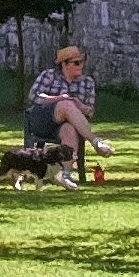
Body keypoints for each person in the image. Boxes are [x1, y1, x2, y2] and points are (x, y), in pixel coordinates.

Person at [25, 44, 103, 186]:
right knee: (65, 104)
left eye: (82, 62)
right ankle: (95, 141)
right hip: (43, 121)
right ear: (64, 64)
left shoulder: (87, 82)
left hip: (66, 125)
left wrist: (79, 105)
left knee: (70, 129)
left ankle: (65, 176)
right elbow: (34, 96)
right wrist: (59, 99)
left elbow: (90, 111)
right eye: (76, 63)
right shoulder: (49, 75)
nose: (81, 66)